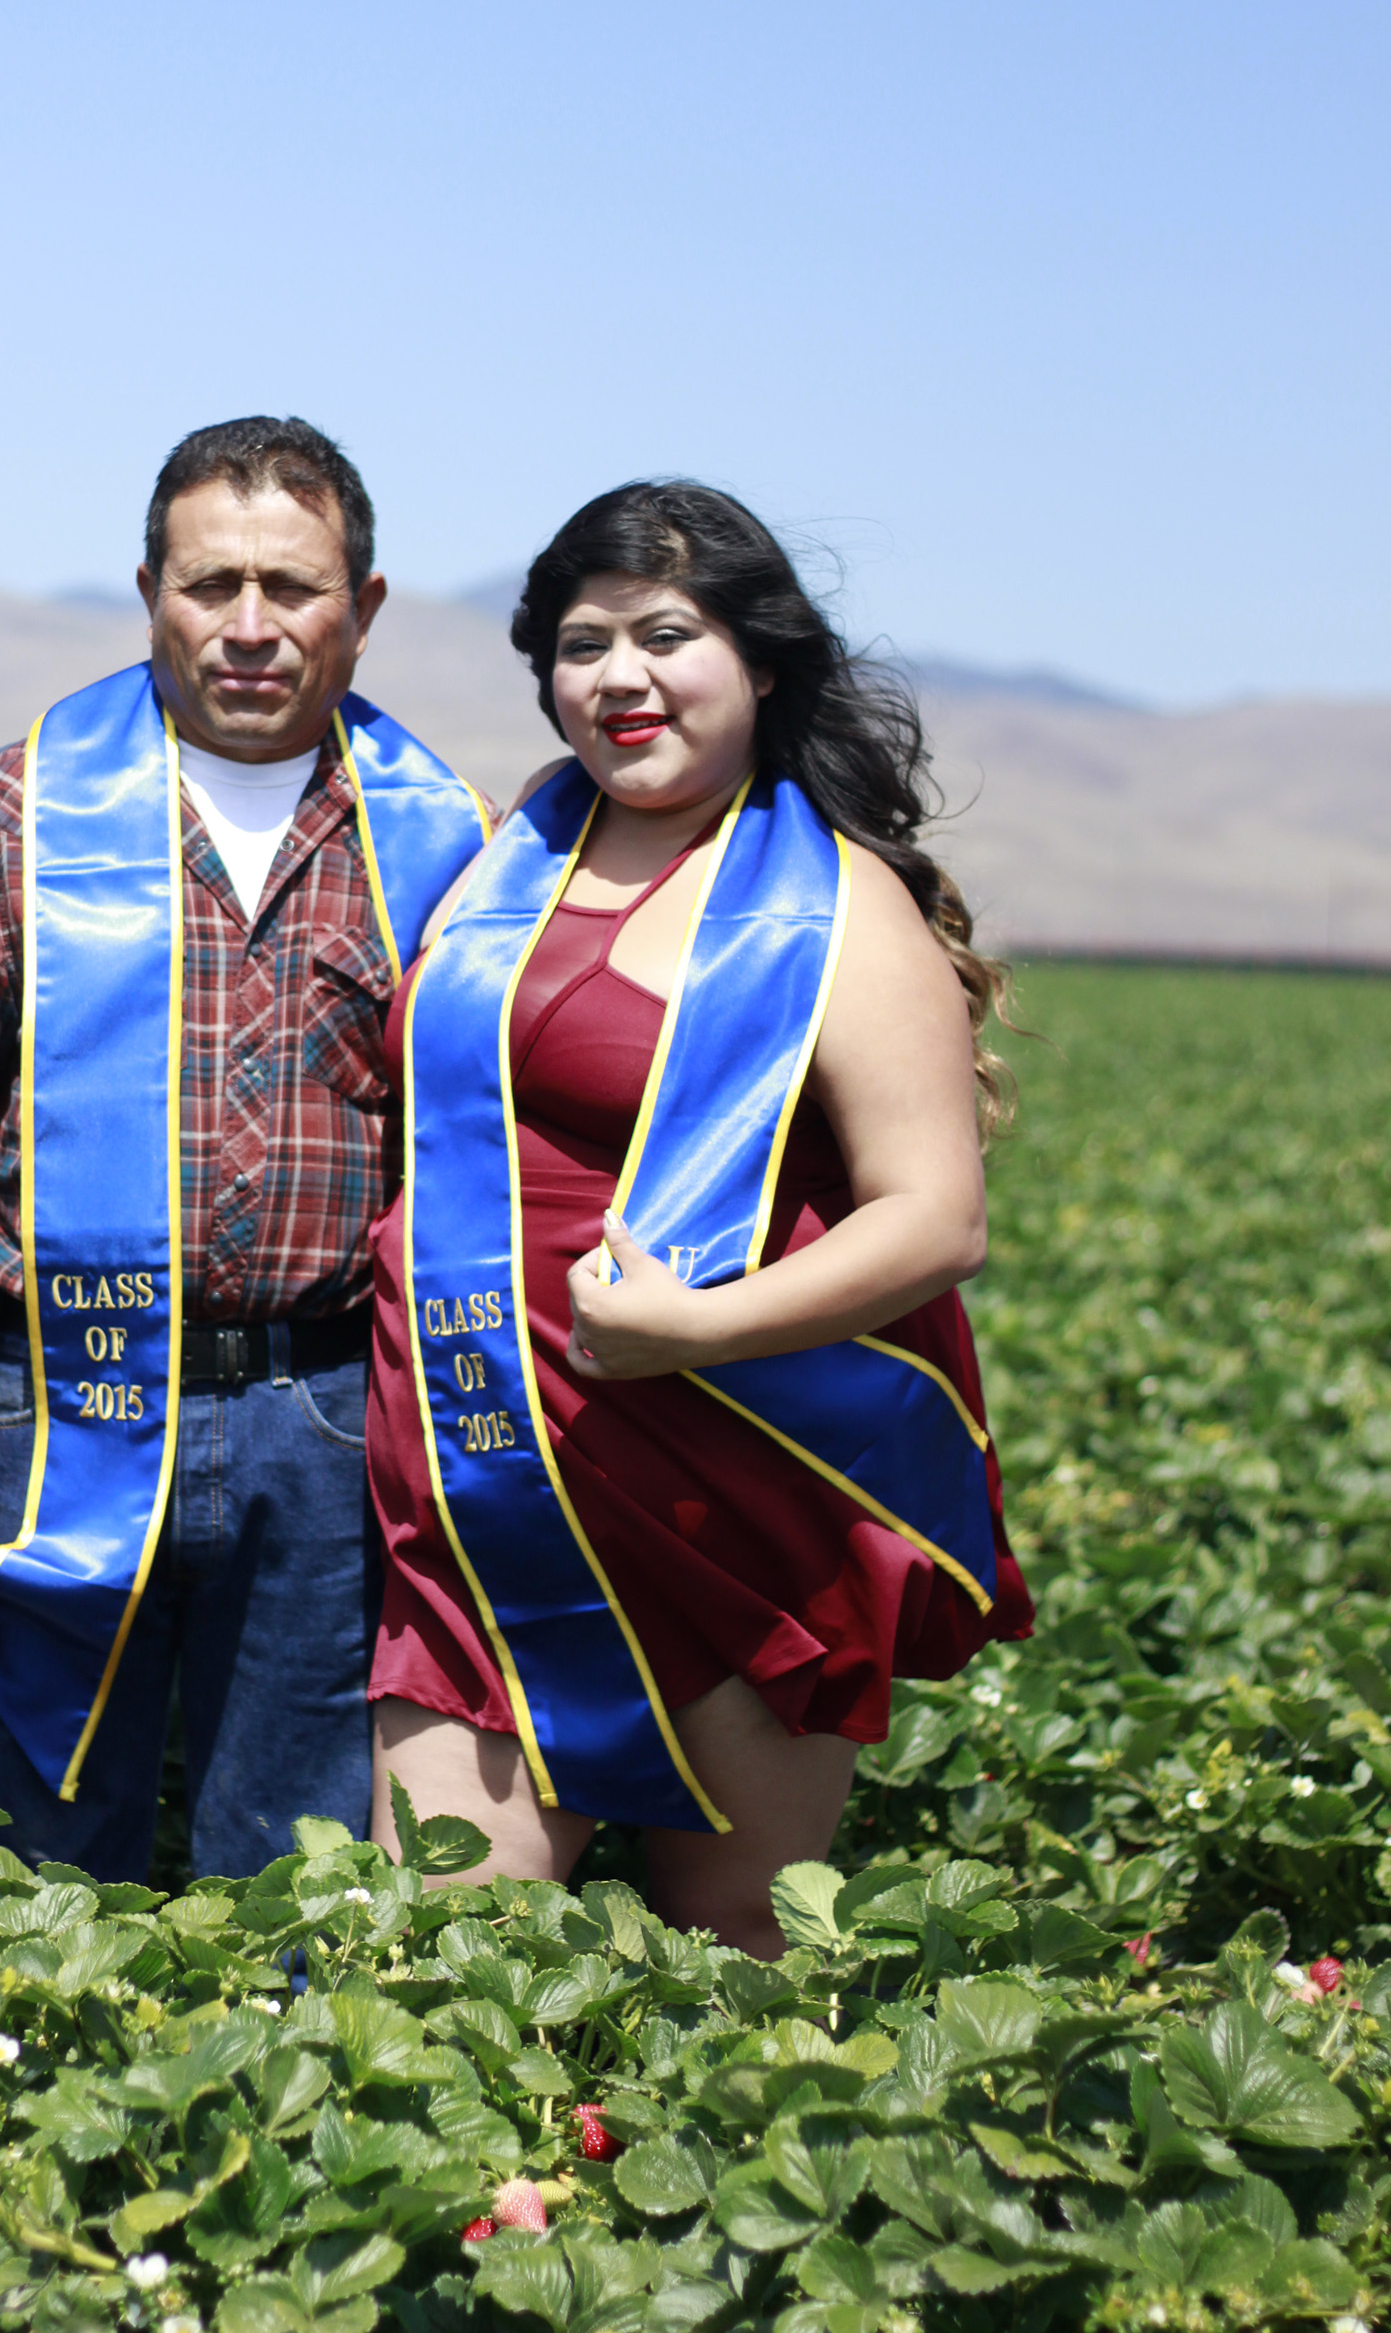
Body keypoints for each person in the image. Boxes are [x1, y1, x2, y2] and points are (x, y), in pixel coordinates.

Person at [365, 480, 1033, 1956]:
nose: (622, 677)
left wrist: (696, 1331)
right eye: (584, 642)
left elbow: (936, 1221)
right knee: (437, 1964)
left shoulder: (843, 908)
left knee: (738, 1951)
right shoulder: (492, 870)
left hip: (732, 1487)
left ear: (764, 662)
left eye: (668, 634)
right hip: (483, 1477)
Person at [0, 416, 489, 1882]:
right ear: (150, 588)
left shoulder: (445, 834)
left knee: (293, 1879)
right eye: (212, 586)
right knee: (29, 1862)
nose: (251, 628)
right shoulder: (12, 807)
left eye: (293, 586)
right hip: (55, 1412)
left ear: (365, 607)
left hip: (327, 1425)